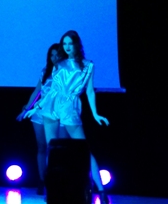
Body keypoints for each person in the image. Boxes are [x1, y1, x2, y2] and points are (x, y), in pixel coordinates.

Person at [25, 30, 110, 204]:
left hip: (70, 106)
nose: (67, 47)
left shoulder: (88, 65)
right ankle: (52, 190)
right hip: (52, 105)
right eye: (64, 44)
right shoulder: (59, 64)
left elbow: (90, 91)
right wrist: (37, 107)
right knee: (52, 150)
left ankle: (101, 189)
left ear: (77, 44)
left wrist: (95, 113)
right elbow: (52, 90)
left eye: (70, 43)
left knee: (84, 148)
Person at [16, 43, 65, 194]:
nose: (54, 58)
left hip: (57, 113)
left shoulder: (65, 72)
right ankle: (42, 180)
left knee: (55, 148)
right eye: (52, 55)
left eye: (57, 55)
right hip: (39, 113)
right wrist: (26, 109)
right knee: (41, 146)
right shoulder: (45, 71)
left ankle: (55, 180)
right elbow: (37, 91)